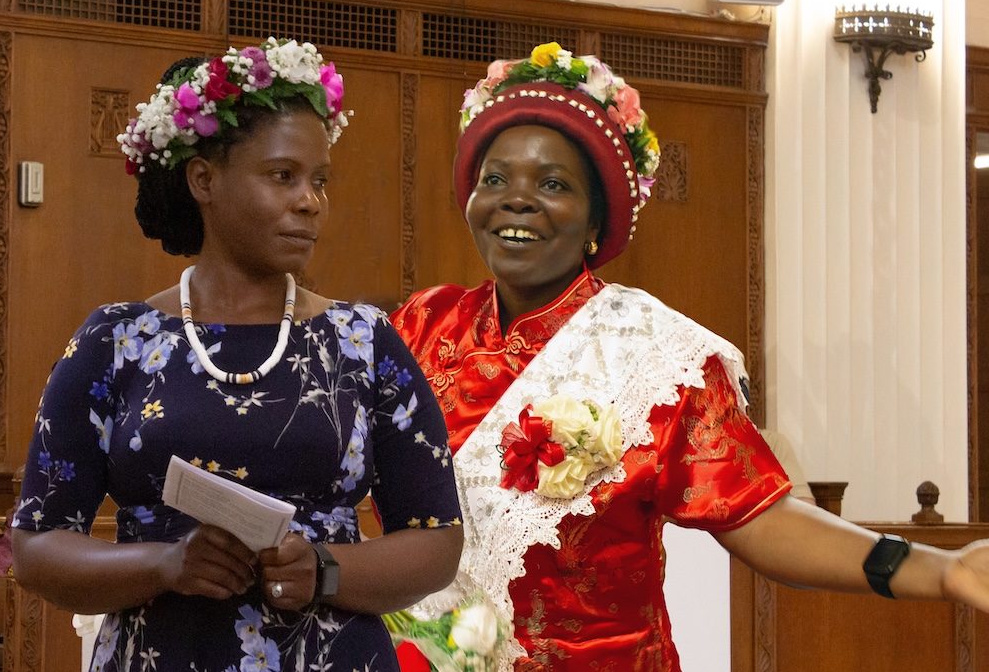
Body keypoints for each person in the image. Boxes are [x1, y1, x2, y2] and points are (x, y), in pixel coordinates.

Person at [390, 42, 989, 671]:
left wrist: (938, 570)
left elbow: (761, 518)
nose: (516, 198)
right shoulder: (424, 326)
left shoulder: (662, 358)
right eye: (495, 179)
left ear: (597, 221)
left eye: (553, 184)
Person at [10, 37, 463, 672]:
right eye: (283, 176)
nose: (310, 200)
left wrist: (324, 569)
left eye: (319, 180)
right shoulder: (115, 344)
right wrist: (166, 564)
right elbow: (35, 548)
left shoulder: (363, 342)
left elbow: (437, 541)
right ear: (204, 179)